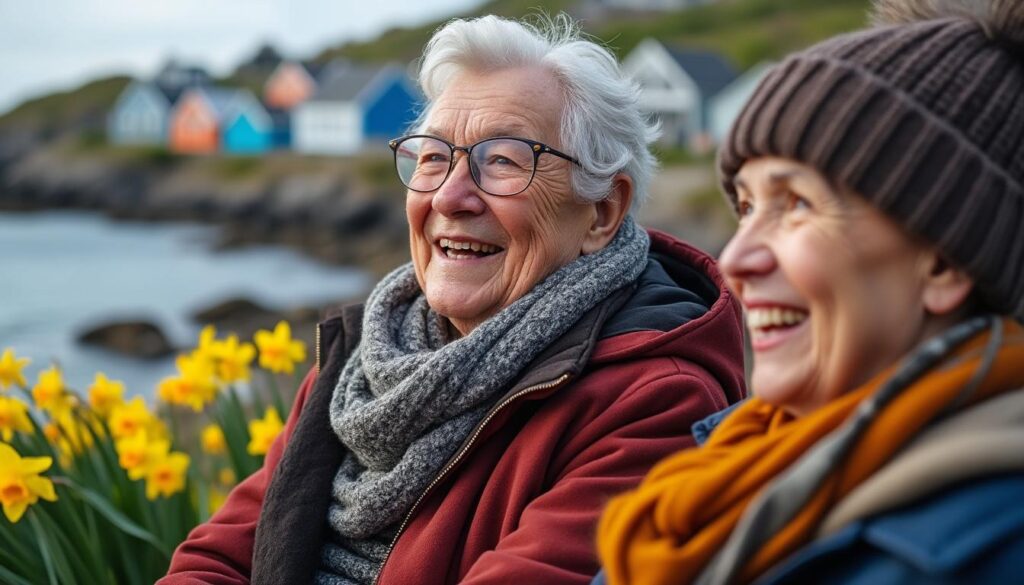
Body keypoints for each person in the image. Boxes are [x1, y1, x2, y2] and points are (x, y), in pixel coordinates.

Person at [160, 14, 746, 585]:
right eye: (434, 158)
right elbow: (220, 557)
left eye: (503, 161)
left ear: (602, 212)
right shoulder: (365, 359)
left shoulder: (657, 403)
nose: (451, 196)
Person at [594, 0, 1024, 583]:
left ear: (944, 262)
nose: (735, 260)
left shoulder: (991, 548)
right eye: (745, 207)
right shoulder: (727, 462)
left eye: (796, 204)